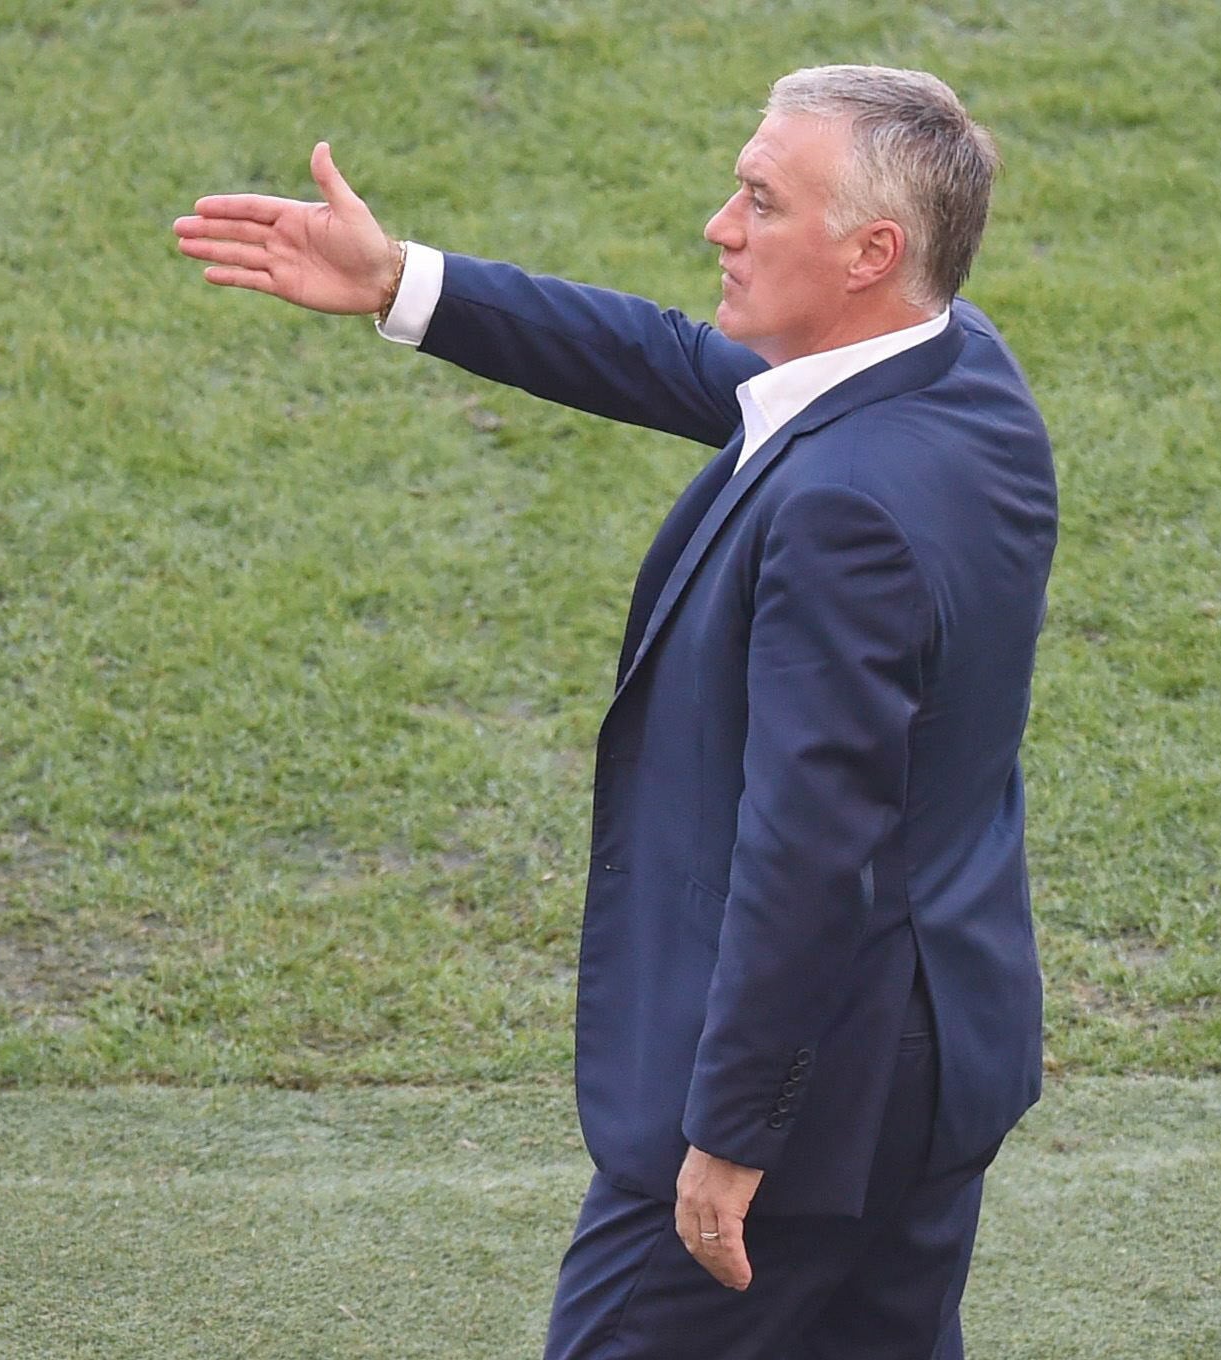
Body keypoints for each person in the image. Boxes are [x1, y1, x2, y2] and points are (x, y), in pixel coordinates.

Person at [175, 63, 1056, 1360]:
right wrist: (400, 282)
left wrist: (733, 1135)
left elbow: (810, 846)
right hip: (936, 1064)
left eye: (760, 200)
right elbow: (675, 361)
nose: (720, 223)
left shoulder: (844, 512)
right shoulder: (955, 371)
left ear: (870, 251)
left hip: (805, 1115)